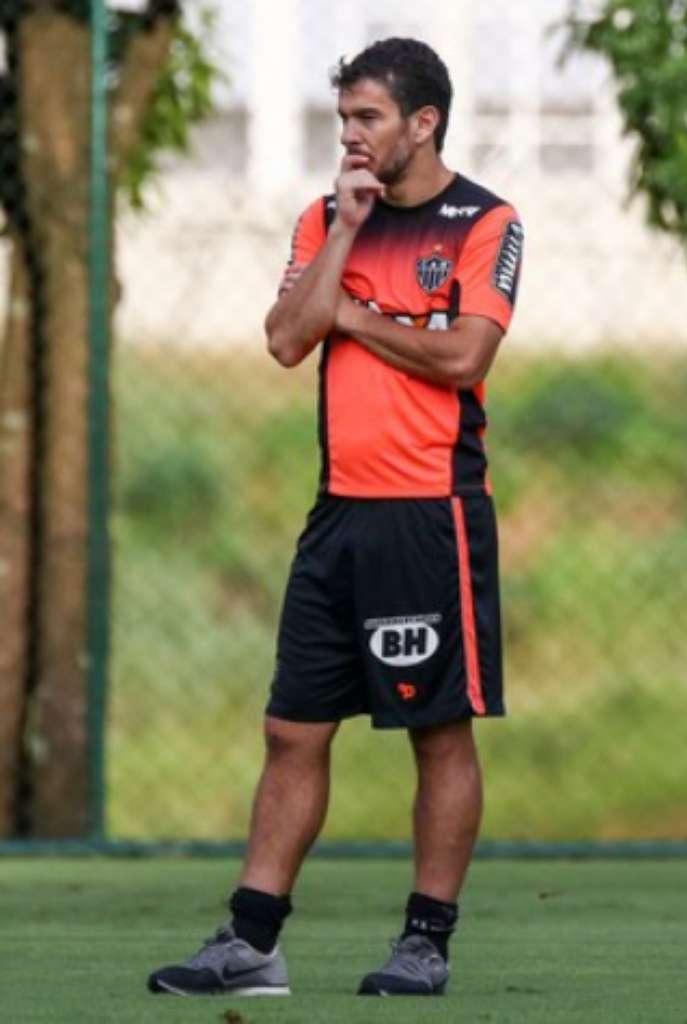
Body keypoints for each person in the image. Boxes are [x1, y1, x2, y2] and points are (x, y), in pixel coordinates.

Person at [148, 36, 523, 999]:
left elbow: (462, 359)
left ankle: (425, 943)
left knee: (437, 732)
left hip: (429, 518)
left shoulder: (485, 221)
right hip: (338, 517)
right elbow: (283, 339)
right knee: (291, 731)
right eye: (342, 119)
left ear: (423, 123)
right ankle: (252, 941)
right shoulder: (326, 218)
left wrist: (349, 316)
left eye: (368, 119)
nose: (350, 136)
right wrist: (349, 237)